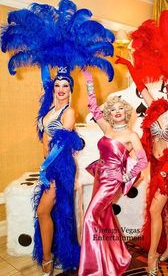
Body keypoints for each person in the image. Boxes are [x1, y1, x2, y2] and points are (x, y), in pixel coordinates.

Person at [116, 57, 168, 275]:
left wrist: (163, 171)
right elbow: (142, 88)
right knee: (166, 212)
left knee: (154, 209)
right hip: (157, 166)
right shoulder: (157, 111)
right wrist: (129, 64)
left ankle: (152, 256)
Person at [78, 70, 148, 276]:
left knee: (91, 218)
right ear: (110, 113)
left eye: (121, 109)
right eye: (114, 109)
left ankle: (95, 267)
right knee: (104, 217)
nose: (117, 112)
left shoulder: (131, 135)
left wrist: (126, 176)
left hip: (112, 182)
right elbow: (92, 106)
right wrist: (89, 80)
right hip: (101, 176)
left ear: (126, 113)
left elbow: (142, 160)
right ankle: (114, 257)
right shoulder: (107, 128)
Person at [33, 67, 85, 276]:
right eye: (57, 85)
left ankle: (48, 259)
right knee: (50, 212)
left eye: (65, 85)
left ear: (71, 89)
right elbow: (44, 139)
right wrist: (44, 60)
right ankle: (53, 254)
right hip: (49, 165)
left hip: (61, 167)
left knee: (43, 211)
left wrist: (45, 168)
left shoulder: (69, 112)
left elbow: (61, 144)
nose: (61, 88)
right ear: (52, 88)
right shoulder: (48, 111)